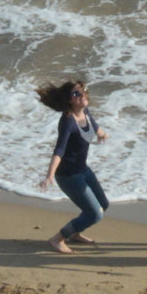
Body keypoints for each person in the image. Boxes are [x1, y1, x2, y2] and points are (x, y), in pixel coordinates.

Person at [37, 79, 109, 254]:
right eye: (76, 94)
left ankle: (75, 232)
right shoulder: (68, 121)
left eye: (83, 91)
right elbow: (59, 150)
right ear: (69, 99)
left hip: (83, 170)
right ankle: (58, 238)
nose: (82, 95)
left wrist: (102, 134)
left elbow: (93, 125)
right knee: (95, 214)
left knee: (103, 204)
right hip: (69, 176)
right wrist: (50, 175)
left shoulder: (85, 111)